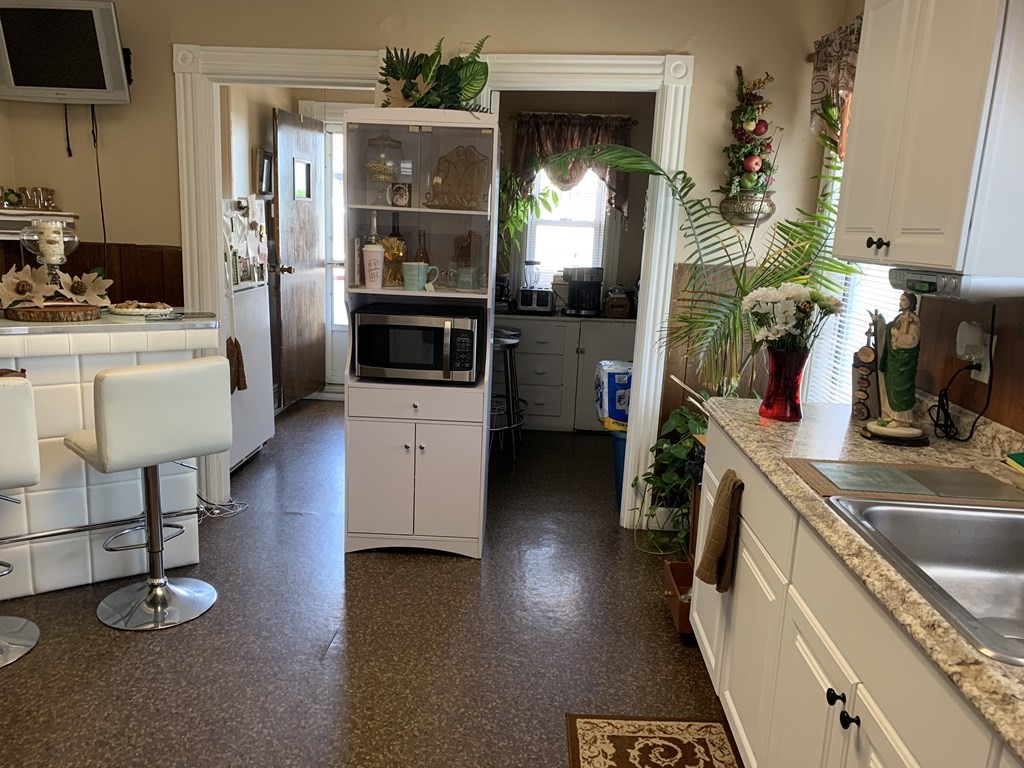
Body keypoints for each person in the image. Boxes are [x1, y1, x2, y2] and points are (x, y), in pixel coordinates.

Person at [868, 291, 922, 435]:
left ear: (910, 302)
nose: (901, 303)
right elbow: (888, 330)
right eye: (900, 300)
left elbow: (912, 341)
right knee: (890, 385)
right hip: (893, 360)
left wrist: (897, 335)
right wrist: (878, 322)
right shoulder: (899, 317)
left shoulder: (914, 321)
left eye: (904, 300)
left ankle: (902, 419)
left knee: (900, 387)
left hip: (904, 362)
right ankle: (891, 415)